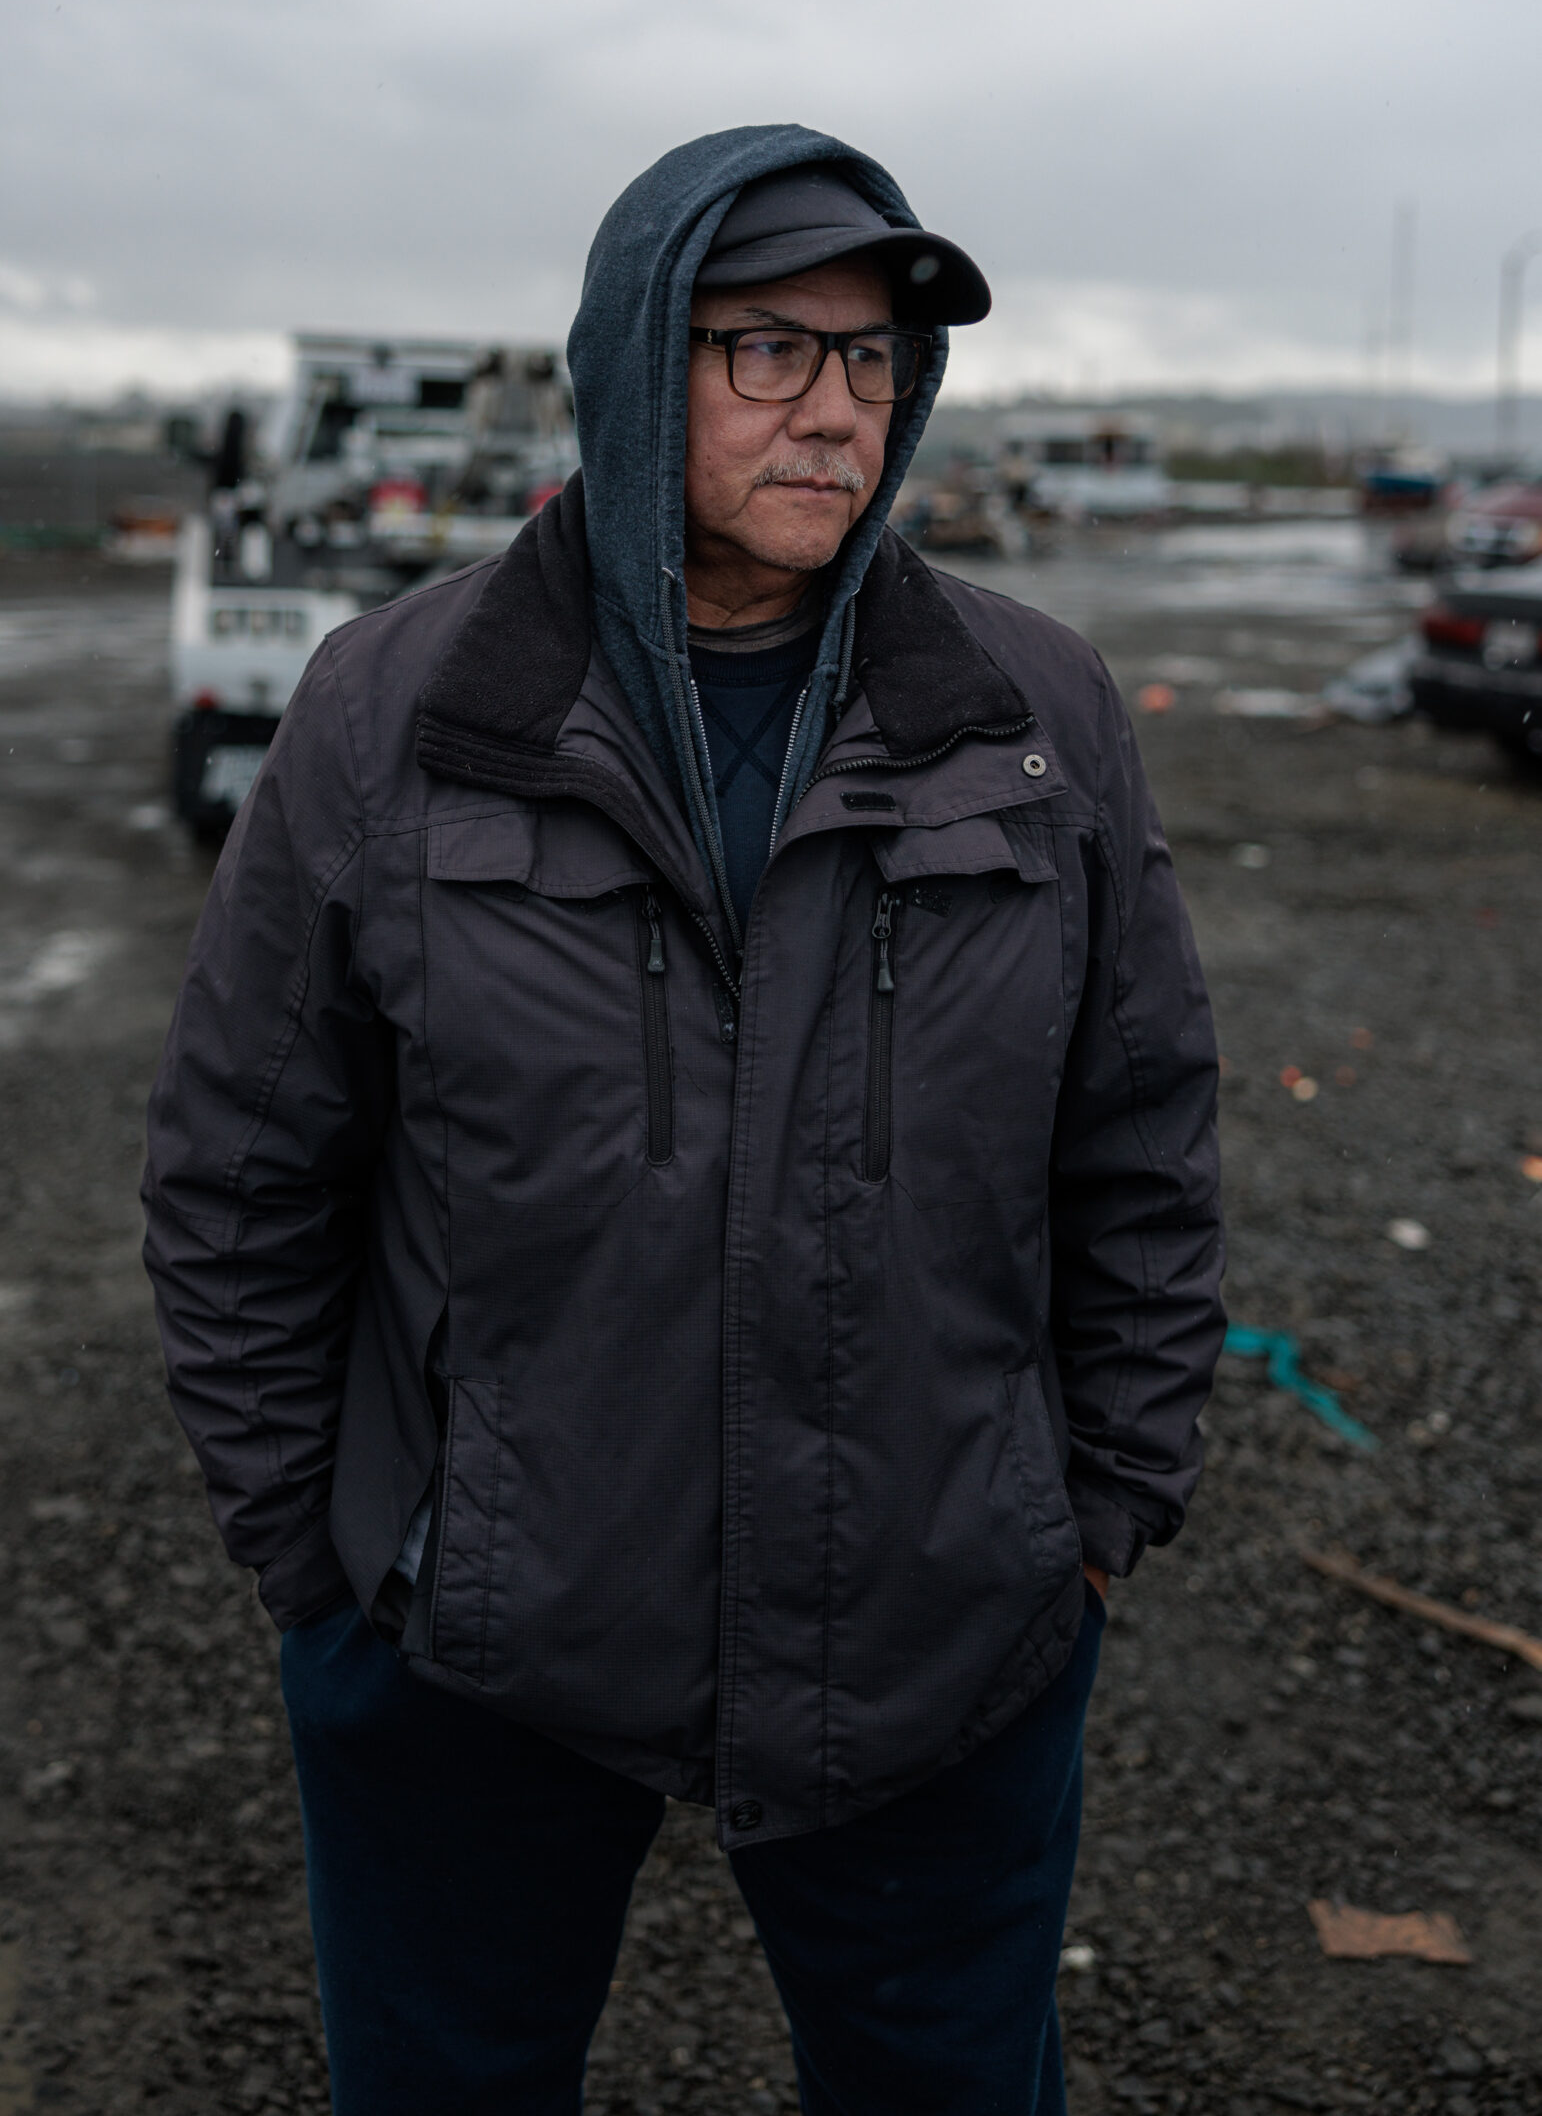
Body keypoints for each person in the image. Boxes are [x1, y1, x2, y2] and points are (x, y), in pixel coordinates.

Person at [143, 124, 1225, 2115]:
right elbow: (240, 1166)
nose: (838, 411)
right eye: (771, 353)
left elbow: (1141, 1138)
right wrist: (332, 1554)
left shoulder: (1032, 712)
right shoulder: (399, 709)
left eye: (875, 361)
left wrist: (1084, 1528)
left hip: (934, 1631)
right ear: (642, 365)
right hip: (481, 1648)